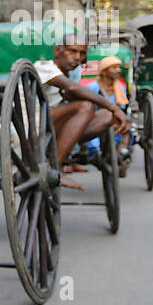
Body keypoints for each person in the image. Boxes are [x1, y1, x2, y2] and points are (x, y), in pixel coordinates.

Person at [32, 31, 130, 190]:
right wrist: (113, 106)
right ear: (58, 51)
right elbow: (72, 88)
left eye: (82, 53)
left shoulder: (68, 76)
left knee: (106, 116)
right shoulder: (44, 67)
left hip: (50, 128)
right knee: (87, 106)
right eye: (72, 51)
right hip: (31, 128)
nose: (77, 58)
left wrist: (113, 111)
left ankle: (62, 154)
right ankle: (54, 168)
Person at [88, 54, 133, 176]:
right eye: (114, 68)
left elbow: (122, 107)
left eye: (119, 67)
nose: (118, 70)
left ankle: (121, 154)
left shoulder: (120, 88)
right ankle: (97, 154)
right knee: (92, 140)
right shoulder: (92, 87)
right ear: (104, 71)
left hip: (115, 121)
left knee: (128, 131)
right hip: (96, 120)